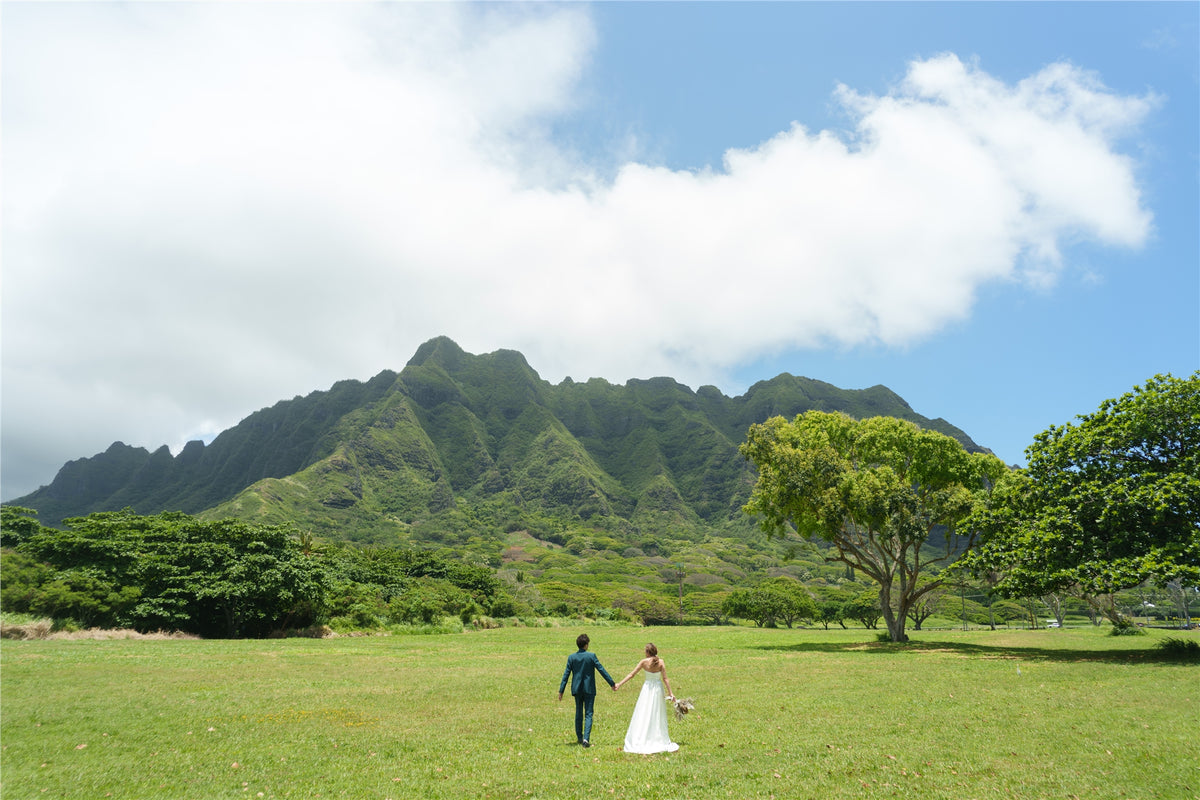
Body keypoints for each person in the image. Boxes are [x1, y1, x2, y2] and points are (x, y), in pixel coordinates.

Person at [614, 643, 680, 754]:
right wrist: (671, 693)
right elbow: (665, 679)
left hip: (647, 688)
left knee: (644, 711)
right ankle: (657, 736)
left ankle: (642, 735)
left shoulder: (644, 662)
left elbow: (631, 675)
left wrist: (619, 684)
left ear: (648, 652)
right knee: (657, 713)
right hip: (658, 689)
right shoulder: (661, 662)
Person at [558, 633, 616, 747]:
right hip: (589, 688)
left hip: (577, 689)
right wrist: (612, 683)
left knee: (578, 712)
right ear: (586, 645)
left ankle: (579, 737)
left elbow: (566, 674)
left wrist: (561, 690)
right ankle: (586, 739)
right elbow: (601, 670)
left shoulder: (572, 657)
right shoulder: (591, 656)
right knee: (589, 713)